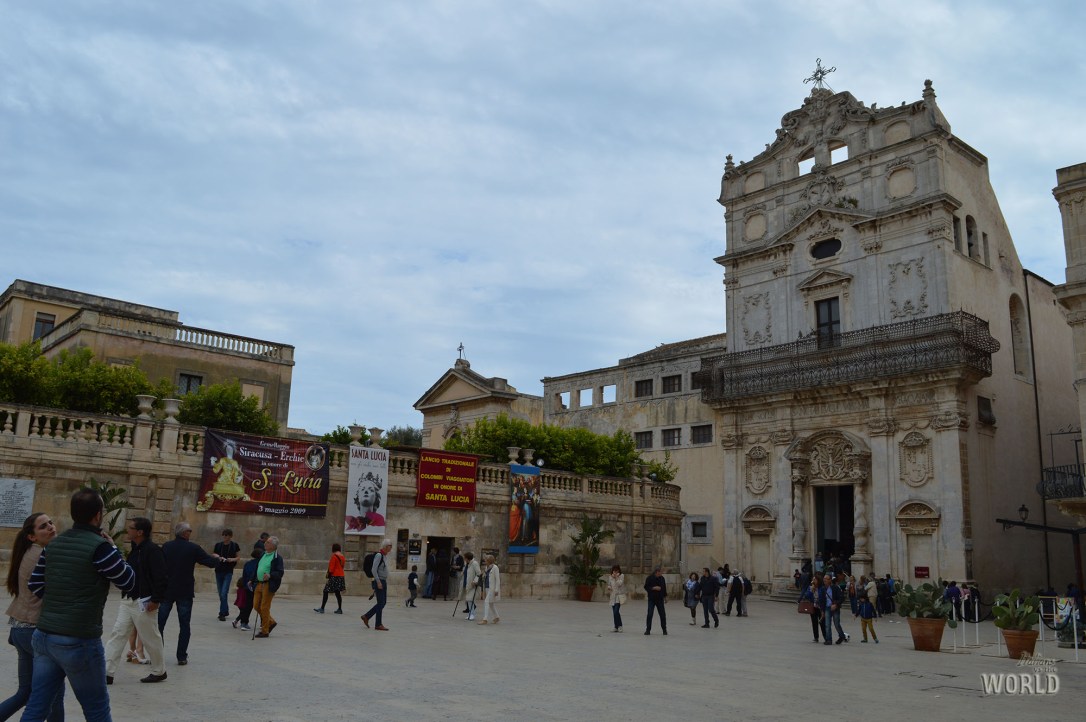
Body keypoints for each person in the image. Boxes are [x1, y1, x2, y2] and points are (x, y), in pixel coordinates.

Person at [21, 488, 135, 721]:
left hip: (44, 635)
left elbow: (35, 583)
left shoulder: (53, 545)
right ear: (98, 515)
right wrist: (114, 548)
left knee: (37, 706)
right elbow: (128, 581)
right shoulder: (101, 547)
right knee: (97, 710)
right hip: (79, 639)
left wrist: (59, 602)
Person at [0, 513, 63, 721]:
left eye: (50, 523)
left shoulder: (27, 552)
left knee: (25, 692)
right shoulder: (43, 555)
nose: (51, 527)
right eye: (43, 526)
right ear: (32, 536)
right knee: (55, 694)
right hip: (35, 630)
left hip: (20, 629)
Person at [103, 516, 169, 684]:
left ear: (140, 532)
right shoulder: (135, 549)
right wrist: (112, 545)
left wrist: (156, 599)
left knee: (150, 637)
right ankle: (107, 672)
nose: (128, 530)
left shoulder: (153, 551)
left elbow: (161, 577)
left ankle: (159, 671)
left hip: (144, 602)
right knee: (118, 634)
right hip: (128, 599)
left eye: (131, 528)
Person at [158, 522, 219, 665]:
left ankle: (158, 654)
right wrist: (216, 558)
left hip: (167, 590)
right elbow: (210, 562)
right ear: (185, 533)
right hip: (184, 591)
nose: (191, 533)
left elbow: (159, 567)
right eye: (190, 530)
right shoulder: (193, 548)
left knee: (159, 624)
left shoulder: (166, 546)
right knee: (184, 625)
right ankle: (181, 656)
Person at [252, 536, 284, 638]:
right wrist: (252, 579)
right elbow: (258, 568)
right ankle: (271, 621)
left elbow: (280, 572)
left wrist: (270, 575)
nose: (265, 543)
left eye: (268, 542)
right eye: (266, 542)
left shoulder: (277, 558)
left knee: (264, 607)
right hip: (259, 583)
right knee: (256, 605)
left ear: (273, 546)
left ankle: (265, 631)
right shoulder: (263, 554)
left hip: (268, 585)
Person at [361, 539, 392, 631]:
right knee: (381, 603)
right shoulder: (379, 555)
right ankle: (377, 624)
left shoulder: (384, 556)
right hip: (380, 581)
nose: (391, 547)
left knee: (382, 603)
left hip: (383, 581)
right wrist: (378, 582)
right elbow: (374, 570)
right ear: (385, 546)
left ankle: (367, 617)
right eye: (390, 545)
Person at [212, 529, 241, 622]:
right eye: (223, 535)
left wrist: (231, 559)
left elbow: (238, 557)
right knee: (221, 593)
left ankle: (222, 613)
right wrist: (218, 557)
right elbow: (213, 554)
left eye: (226, 535)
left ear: (230, 536)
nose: (224, 536)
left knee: (224, 593)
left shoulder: (234, 545)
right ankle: (226, 610)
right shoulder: (218, 545)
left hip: (228, 571)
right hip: (218, 570)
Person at [232, 550, 261, 631]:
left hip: (247, 587)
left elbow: (244, 576)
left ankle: (243, 622)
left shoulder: (248, 563)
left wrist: (245, 586)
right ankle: (261, 623)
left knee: (248, 605)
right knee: (259, 605)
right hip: (256, 586)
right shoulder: (260, 563)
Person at [315, 544, 346, 614]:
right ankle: (340, 609)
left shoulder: (334, 556)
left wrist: (328, 576)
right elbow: (342, 566)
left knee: (325, 591)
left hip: (334, 576)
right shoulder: (342, 556)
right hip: (341, 576)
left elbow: (331, 569)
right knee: (337, 592)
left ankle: (322, 608)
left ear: (333, 548)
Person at [477, 554, 501, 624]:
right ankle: (497, 617)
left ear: (489, 561)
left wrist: (496, 590)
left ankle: (485, 619)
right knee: (491, 604)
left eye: (486, 560)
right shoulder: (486, 568)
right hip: (487, 587)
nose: (485, 561)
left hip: (492, 589)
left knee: (486, 602)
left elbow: (498, 579)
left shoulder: (495, 567)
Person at [643, 566, 667, 635]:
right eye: (661, 571)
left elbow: (664, 588)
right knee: (650, 614)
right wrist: (654, 588)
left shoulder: (662, 578)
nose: (662, 573)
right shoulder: (649, 578)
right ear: (657, 572)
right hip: (652, 599)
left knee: (662, 615)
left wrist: (665, 597)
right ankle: (648, 630)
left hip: (660, 599)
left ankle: (664, 629)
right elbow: (646, 587)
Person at [800, 577, 823, 643]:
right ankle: (816, 637)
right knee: (814, 622)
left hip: (821, 607)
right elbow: (807, 596)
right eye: (812, 580)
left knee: (822, 622)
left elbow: (822, 597)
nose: (813, 581)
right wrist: (811, 590)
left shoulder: (821, 588)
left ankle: (826, 637)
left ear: (818, 581)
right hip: (813, 607)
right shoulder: (810, 587)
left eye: (814, 580)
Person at [460, 552, 481, 621]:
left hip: (473, 585)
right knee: (469, 600)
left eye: (465, 558)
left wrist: (475, 581)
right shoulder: (467, 564)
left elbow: (479, 573)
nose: (464, 559)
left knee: (470, 599)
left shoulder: (474, 563)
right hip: (467, 584)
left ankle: (472, 614)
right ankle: (470, 614)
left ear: (467, 558)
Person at [607, 565, 626, 632]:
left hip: (618, 596)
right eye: (614, 570)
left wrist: (616, 577)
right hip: (612, 597)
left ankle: (620, 626)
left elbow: (619, 584)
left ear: (619, 570)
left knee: (616, 611)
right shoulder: (610, 577)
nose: (615, 572)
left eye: (617, 570)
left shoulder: (621, 576)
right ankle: (616, 626)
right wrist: (609, 587)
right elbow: (609, 584)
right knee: (614, 612)